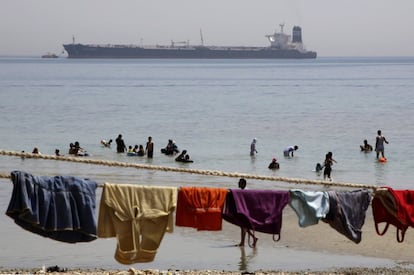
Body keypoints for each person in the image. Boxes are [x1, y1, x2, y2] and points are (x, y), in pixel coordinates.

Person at [236, 178, 257, 247]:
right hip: (243, 211)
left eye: (240, 182)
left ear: (243, 184)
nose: (238, 183)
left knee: (243, 227)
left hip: (246, 212)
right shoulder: (242, 191)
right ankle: (253, 238)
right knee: (244, 227)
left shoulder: (246, 191)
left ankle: (243, 242)